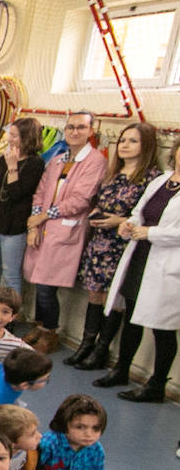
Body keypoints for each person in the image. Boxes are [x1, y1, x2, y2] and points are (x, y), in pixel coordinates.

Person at [94, 141, 180, 400]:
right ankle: (121, 369)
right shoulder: (162, 180)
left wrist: (151, 232)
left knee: (162, 328)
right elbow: (139, 212)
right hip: (141, 255)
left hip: (167, 264)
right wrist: (129, 224)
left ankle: (156, 386)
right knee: (131, 315)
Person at [72, 122, 161, 368]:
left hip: (123, 245)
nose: (125, 145)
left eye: (133, 141)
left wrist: (118, 221)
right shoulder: (112, 174)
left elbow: (147, 216)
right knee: (95, 294)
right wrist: (97, 213)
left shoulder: (151, 178)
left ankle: (101, 351)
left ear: (147, 146)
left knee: (115, 300)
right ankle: (87, 343)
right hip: (100, 243)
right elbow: (99, 201)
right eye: (122, 140)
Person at [23, 111, 108, 352]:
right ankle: (40, 326)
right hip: (44, 228)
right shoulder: (59, 159)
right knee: (38, 281)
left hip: (66, 230)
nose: (74, 132)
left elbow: (80, 200)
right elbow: (41, 190)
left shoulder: (95, 162)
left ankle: (50, 331)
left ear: (91, 131)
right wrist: (36, 222)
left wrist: (43, 216)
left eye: (81, 127)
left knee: (47, 286)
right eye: (70, 127)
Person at [0, 117, 46, 297]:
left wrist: (13, 166)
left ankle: (10, 317)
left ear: (27, 138)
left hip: (13, 228)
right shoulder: (3, 159)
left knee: (11, 275)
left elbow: (17, 194)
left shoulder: (35, 163)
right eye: (10, 134)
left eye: (14, 135)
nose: (9, 139)